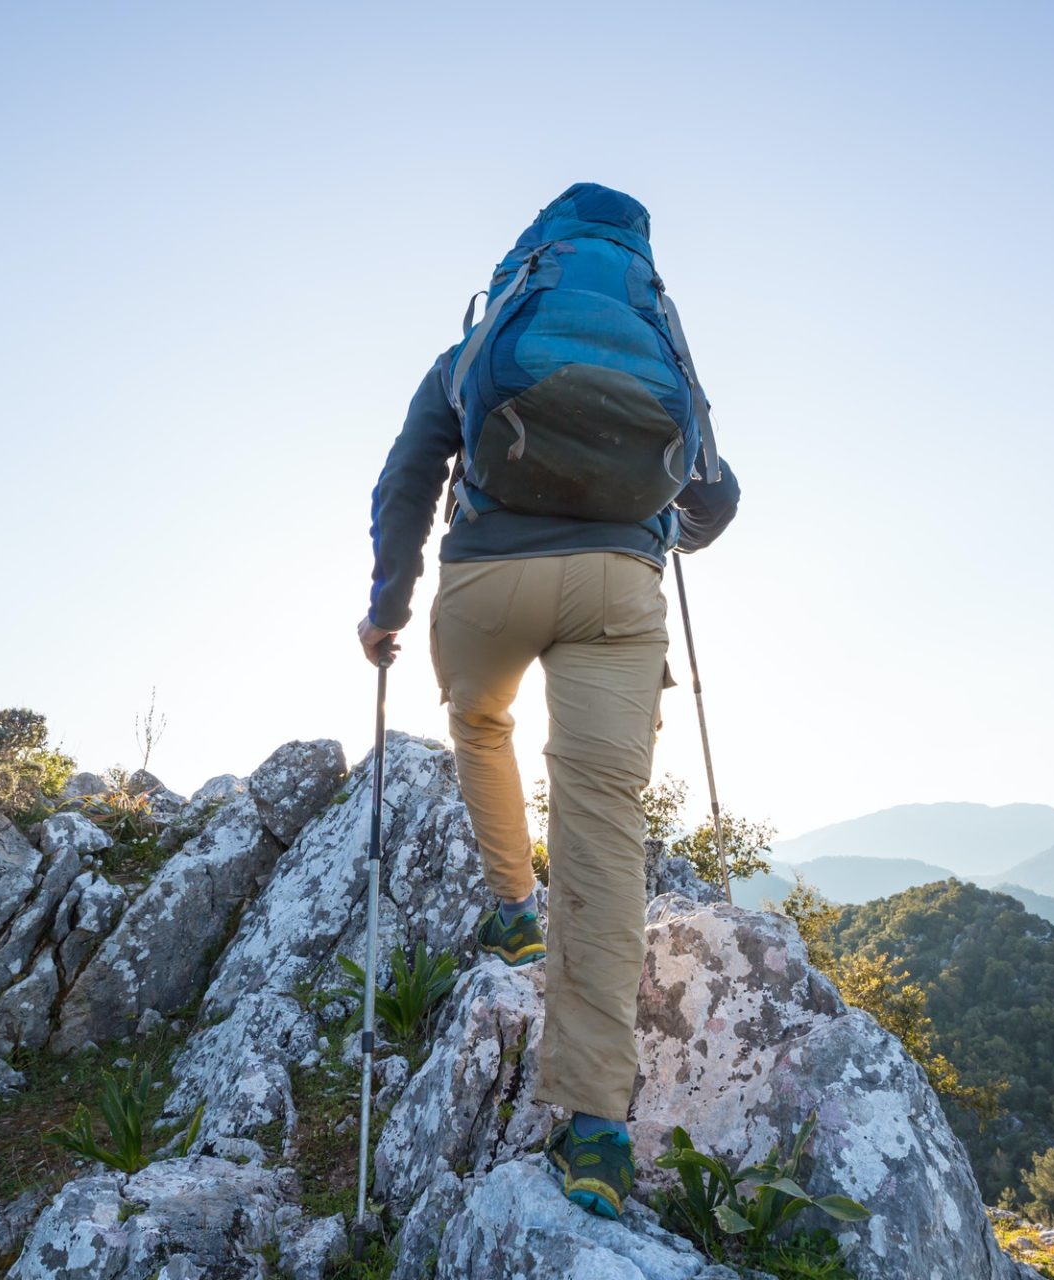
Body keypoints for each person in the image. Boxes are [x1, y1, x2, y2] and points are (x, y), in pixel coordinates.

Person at [357, 184, 739, 1219]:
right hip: (620, 589)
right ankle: (596, 1130)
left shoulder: (489, 338)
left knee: (481, 720)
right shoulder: (657, 338)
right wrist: (657, 529)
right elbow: (718, 498)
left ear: (535, 250)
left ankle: (513, 907)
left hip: (487, 581)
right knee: (605, 834)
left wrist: (386, 610)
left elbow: (406, 480)